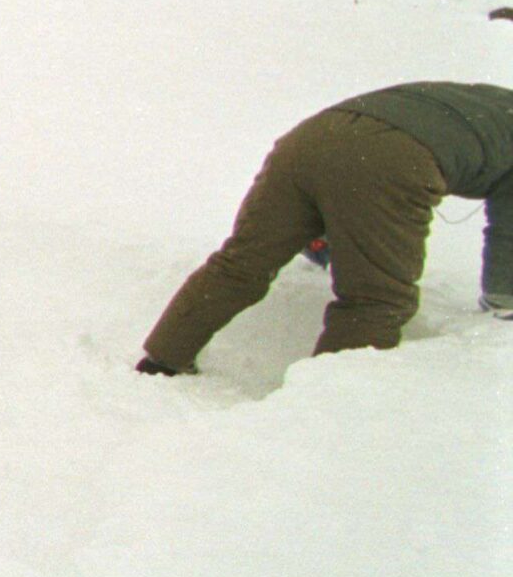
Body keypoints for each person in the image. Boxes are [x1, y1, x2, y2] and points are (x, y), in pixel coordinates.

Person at [138, 82, 513, 374]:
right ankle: (325, 411)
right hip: (390, 159)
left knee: (241, 263)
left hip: (311, 138)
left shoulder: (488, 99)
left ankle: (162, 360)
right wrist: (503, 300)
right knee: (376, 300)